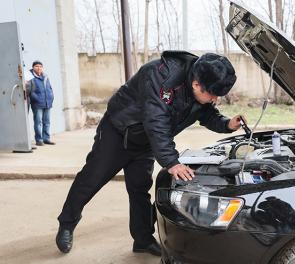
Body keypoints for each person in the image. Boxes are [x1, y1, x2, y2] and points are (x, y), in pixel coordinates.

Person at [56, 51, 244, 256]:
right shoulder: (160, 76)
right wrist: (172, 162)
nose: (215, 99)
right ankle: (67, 223)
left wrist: (227, 124)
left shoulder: (200, 89)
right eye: (213, 95)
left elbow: (206, 113)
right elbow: (156, 121)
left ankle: (143, 239)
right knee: (91, 179)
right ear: (196, 84)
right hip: (118, 132)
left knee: (139, 190)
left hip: (146, 141)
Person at [26, 60, 55, 146]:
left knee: (47, 122)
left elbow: (50, 88)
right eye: (37, 66)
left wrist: (51, 96)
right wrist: (36, 99)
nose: (39, 68)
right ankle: (39, 140)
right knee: (38, 122)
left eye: (40, 66)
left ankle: (46, 139)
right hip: (37, 103)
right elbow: (29, 90)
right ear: (33, 67)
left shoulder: (45, 76)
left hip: (47, 102)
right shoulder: (30, 77)